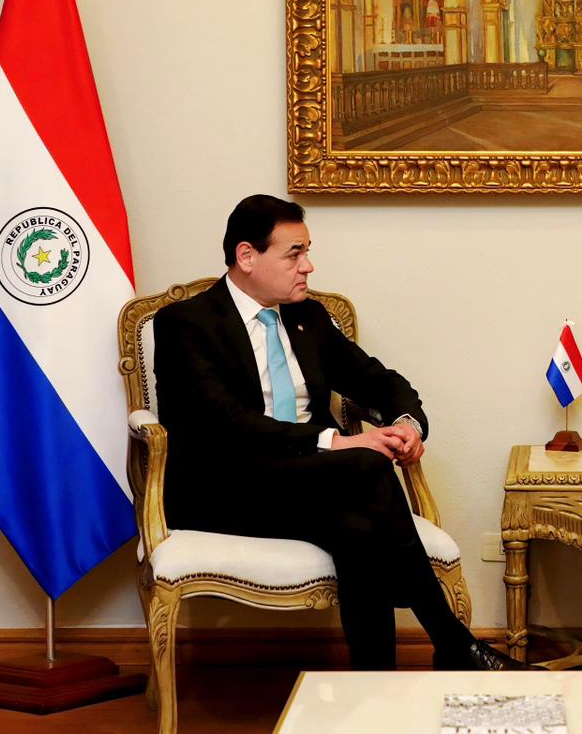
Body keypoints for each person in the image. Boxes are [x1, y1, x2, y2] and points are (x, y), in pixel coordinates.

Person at [153, 195, 535, 672]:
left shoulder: (307, 318)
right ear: (247, 256)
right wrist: (337, 441)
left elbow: (381, 381)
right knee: (367, 465)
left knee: (359, 530)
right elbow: (226, 423)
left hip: (313, 482)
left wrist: (406, 424)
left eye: (307, 252)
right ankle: (454, 645)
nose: (308, 266)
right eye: (294, 254)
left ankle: (377, 684)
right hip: (228, 488)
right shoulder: (185, 324)